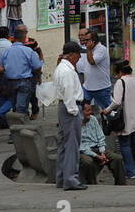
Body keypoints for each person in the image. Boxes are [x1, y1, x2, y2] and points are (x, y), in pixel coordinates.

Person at [106, 62, 135, 180]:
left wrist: (107, 110)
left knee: (125, 145)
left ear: (121, 73)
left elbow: (116, 102)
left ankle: (131, 171)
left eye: (117, 74)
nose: (117, 76)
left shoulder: (120, 82)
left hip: (126, 118)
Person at [54, 41, 86, 191]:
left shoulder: (62, 68)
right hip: (70, 109)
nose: (80, 57)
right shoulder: (67, 71)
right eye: (79, 55)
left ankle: (61, 177)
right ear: (72, 55)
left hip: (65, 108)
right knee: (72, 145)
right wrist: (74, 111)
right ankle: (70, 179)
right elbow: (68, 93)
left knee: (64, 144)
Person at [78, 101, 126, 185]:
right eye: (87, 110)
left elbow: (100, 137)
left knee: (117, 158)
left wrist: (102, 152)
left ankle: (121, 184)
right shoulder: (75, 124)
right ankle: (91, 184)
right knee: (87, 161)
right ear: (81, 112)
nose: (90, 112)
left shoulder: (93, 119)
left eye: (90, 110)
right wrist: (96, 156)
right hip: (84, 151)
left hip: (97, 147)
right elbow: (81, 146)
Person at [0, 27, 42, 116]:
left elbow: (0, 69)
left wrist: (2, 84)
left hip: (10, 82)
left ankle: (19, 124)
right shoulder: (28, 51)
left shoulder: (6, 52)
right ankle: (22, 125)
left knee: (15, 106)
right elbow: (37, 66)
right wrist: (38, 76)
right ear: (23, 39)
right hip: (24, 81)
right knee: (21, 107)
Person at [77, 27, 111, 108]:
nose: (85, 42)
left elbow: (92, 62)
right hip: (88, 87)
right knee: (83, 107)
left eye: (87, 40)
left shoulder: (101, 49)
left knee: (107, 110)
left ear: (94, 40)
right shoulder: (89, 48)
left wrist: (88, 50)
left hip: (101, 87)